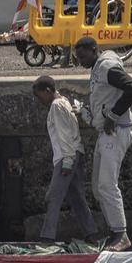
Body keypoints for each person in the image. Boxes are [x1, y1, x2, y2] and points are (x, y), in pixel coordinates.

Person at [74, 36, 132, 251]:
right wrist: (87, 113)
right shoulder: (96, 68)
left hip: (117, 130)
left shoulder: (106, 67)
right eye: (78, 57)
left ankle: (121, 235)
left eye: (83, 56)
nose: (81, 61)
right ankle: (114, 231)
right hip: (107, 132)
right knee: (97, 187)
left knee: (107, 184)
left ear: (94, 50)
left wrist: (112, 115)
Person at [32, 75, 97, 243]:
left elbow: (64, 135)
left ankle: (47, 238)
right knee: (76, 197)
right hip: (75, 153)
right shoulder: (65, 102)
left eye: (39, 95)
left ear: (47, 91)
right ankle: (91, 234)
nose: (39, 100)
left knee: (53, 197)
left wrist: (67, 161)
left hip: (67, 155)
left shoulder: (56, 106)